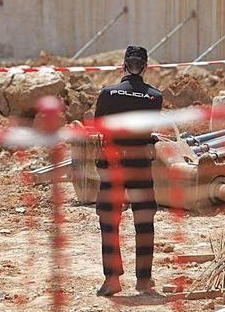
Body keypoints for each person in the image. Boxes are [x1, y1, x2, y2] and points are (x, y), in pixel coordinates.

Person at [92, 45, 163, 296]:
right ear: (145, 67)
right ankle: (143, 280)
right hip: (140, 164)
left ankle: (112, 279)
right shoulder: (155, 96)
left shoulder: (108, 93)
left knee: (110, 221)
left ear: (123, 66)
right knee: (144, 220)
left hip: (113, 163)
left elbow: (98, 124)